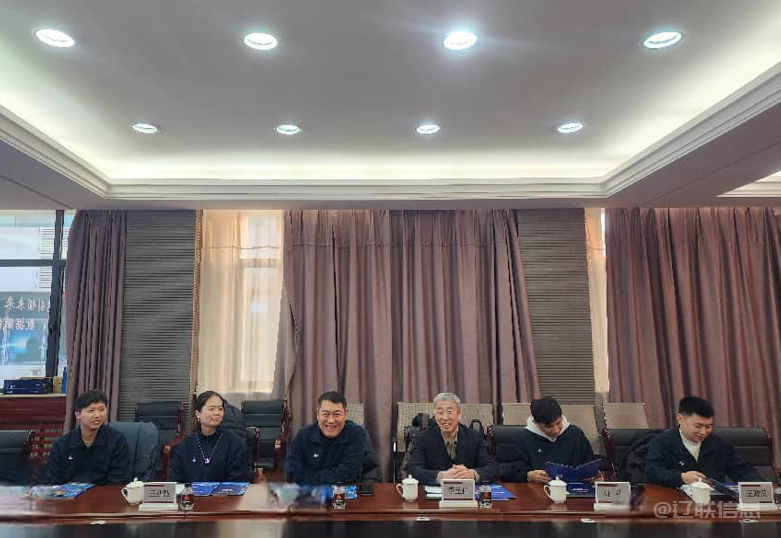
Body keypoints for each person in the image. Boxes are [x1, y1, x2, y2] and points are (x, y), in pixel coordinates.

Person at [646, 396, 763, 487]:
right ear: (680, 419)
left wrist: (761, 487)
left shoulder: (719, 444)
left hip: (713, 503)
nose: (703, 432)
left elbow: (743, 470)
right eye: (698, 426)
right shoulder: (662, 442)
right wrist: (681, 477)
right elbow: (653, 472)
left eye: (708, 426)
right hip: (673, 502)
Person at [407, 392, 498, 486]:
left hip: (466, 492)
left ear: (459, 414)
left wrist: (472, 474)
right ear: (435, 415)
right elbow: (413, 470)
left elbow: (492, 468)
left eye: (449, 412)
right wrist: (441, 476)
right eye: (440, 412)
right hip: (435, 493)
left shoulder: (474, 436)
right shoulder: (422, 438)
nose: (445, 418)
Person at [43, 389, 130, 485]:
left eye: (102, 409)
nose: (98, 415)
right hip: (69, 493)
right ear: (78, 414)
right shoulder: (62, 444)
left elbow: (118, 480)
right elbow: (51, 480)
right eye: (91, 410)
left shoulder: (117, 441)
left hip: (104, 493)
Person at [285, 391, 365, 484]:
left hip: (343, 490)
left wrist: (309, 476)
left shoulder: (355, 434)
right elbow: (292, 471)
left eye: (337, 414)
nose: (331, 420)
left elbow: (347, 474)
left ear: (345, 414)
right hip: (309, 491)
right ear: (318, 414)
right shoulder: (303, 435)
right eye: (326, 414)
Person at [512, 397, 596, 483]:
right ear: (535, 422)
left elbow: (589, 463)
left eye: (558, 423)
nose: (556, 430)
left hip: (575, 487)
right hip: (539, 488)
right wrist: (528, 476)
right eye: (549, 427)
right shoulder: (524, 438)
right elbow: (515, 473)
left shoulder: (576, 434)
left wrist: (593, 475)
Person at [170, 391, 248, 483]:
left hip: (225, 492)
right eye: (211, 409)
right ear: (198, 413)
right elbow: (176, 480)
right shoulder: (185, 445)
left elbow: (237, 481)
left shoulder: (235, 443)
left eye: (220, 409)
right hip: (191, 492)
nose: (217, 413)